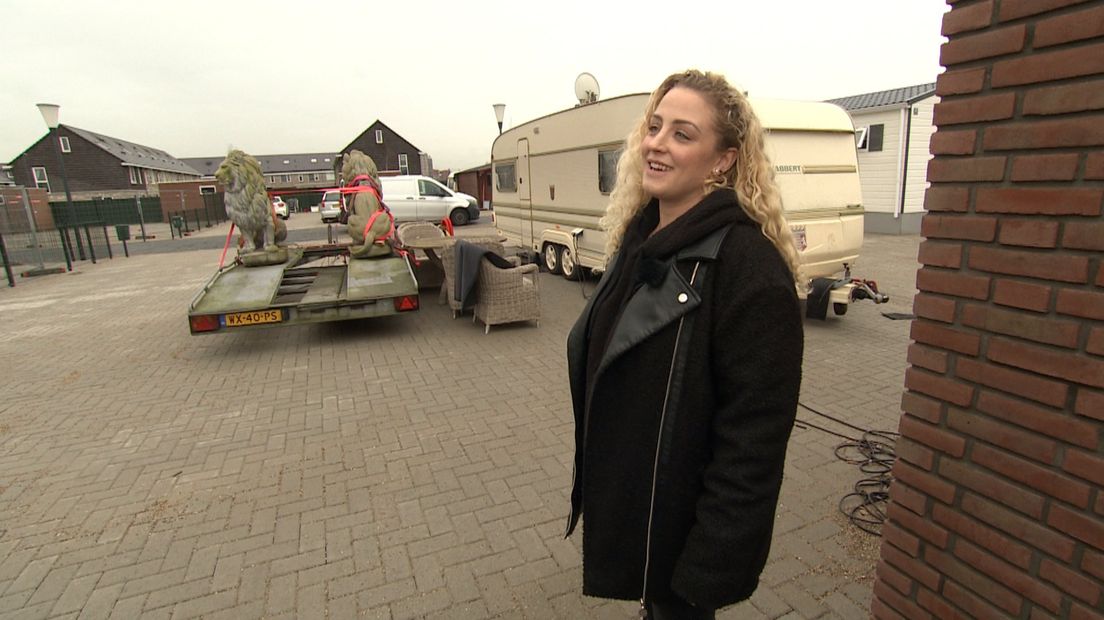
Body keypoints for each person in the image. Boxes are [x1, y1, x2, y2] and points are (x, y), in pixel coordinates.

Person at [565, 69, 804, 619]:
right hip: (644, 521)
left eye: (682, 133)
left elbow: (754, 442)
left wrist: (709, 567)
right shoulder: (640, 242)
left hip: (686, 545)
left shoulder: (747, 268)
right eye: (654, 127)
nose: (656, 143)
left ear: (723, 159)